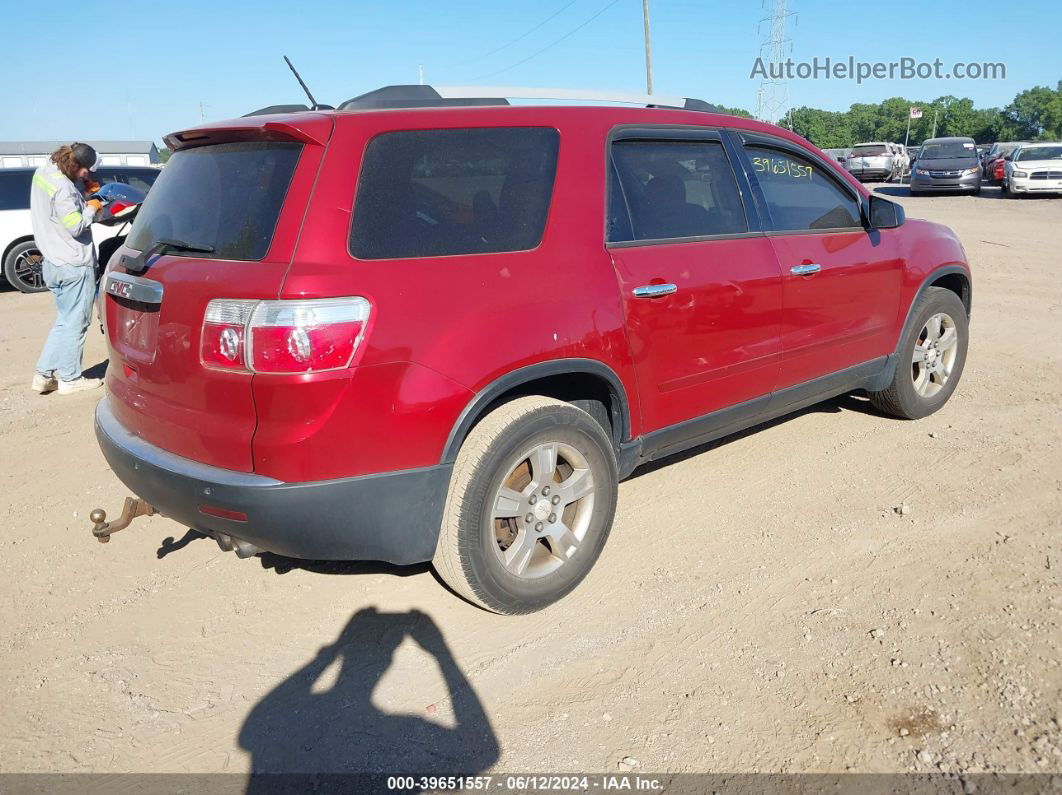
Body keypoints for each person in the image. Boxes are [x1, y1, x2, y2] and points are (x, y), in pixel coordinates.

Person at [30, 142, 107, 395]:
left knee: (65, 321)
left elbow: (56, 209)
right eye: (87, 171)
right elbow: (75, 225)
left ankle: (43, 375)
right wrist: (92, 206)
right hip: (74, 264)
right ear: (76, 165)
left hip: (53, 261)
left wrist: (81, 188)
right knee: (77, 324)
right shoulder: (64, 188)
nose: (89, 175)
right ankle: (70, 379)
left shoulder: (45, 173)